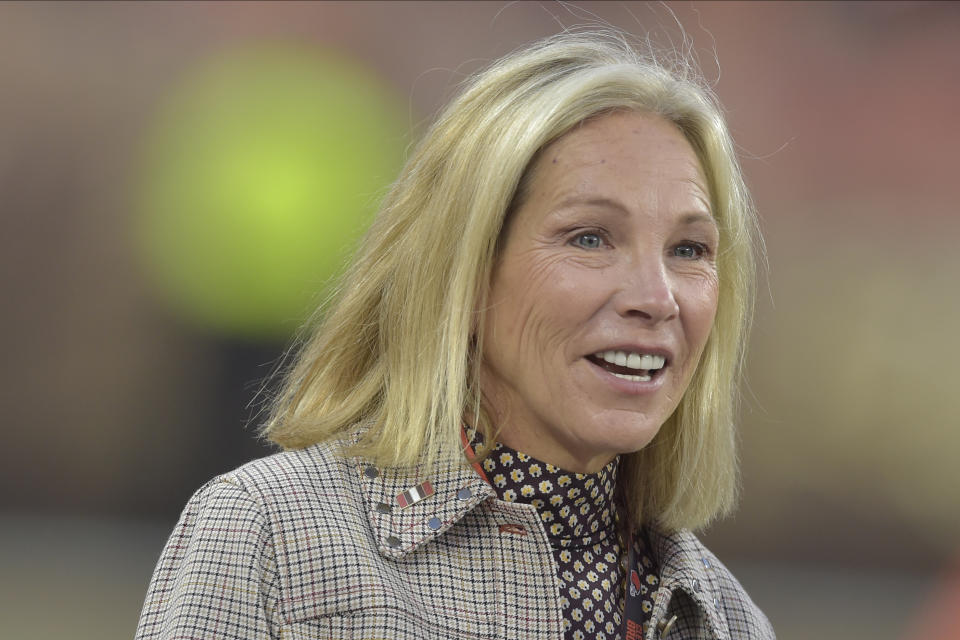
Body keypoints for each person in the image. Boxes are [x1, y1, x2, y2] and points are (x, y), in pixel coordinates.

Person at [136, 30, 774, 640]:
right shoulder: (273, 536)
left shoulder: (728, 620)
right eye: (589, 237)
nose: (657, 299)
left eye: (689, 249)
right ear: (464, 271)